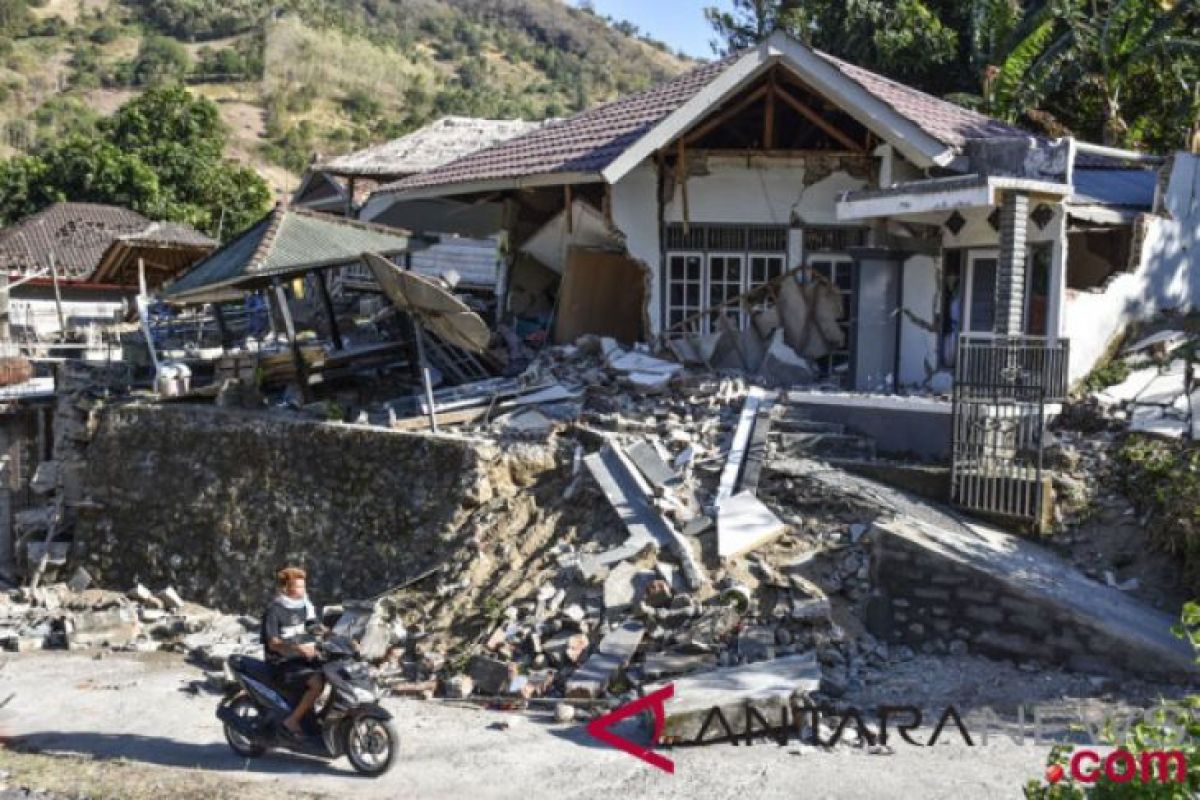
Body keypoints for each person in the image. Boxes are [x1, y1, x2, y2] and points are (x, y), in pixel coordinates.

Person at [262, 566, 324, 738]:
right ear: (285, 588)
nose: (303, 591)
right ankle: (292, 721)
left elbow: (312, 626)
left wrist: (331, 633)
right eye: (299, 587)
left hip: (303, 659)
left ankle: (314, 716)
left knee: (334, 673)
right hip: (282, 664)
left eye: (304, 586)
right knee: (317, 683)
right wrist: (298, 648)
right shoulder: (274, 610)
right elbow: (273, 644)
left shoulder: (305, 605)